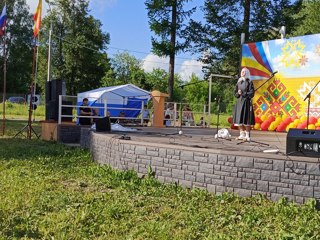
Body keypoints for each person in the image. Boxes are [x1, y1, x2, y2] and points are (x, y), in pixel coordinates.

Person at [232, 67, 255, 141]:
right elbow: (235, 93)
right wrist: (237, 94)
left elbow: (252, 93)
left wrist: (244, 93)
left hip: (246, 102)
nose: (243, 72)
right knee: (239, 120)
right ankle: (241, 134)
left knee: (246, 119)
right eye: (242, 71)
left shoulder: (249, 82)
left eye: (245, 71)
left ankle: (247, 135)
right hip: (239, 102)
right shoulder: (238, 82)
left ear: (247, 73)